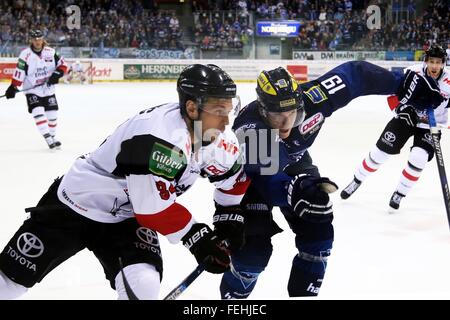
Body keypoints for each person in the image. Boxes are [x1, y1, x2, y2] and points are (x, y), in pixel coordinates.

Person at [0, 64, 250, 300]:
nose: (226, 121)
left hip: (126, 218)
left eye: (228, 110)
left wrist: (229, 217)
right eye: (219, 112)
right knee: (8, 282)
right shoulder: (157, 137)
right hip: (74, 205)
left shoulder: (219, 138)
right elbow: (153, 210)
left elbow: (233, 180)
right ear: (192, 108)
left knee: (144, 283)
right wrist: (199, 238)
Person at [219, 61, 445, 299]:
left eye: (293, 115)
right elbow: (266, 179)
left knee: (319, 234)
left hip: (294, 162)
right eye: (277, 117)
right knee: (252, 255)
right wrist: (295, 190)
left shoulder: (314, 98)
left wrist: (403, 84)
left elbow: (356, 75)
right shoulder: (251, 128)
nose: (286, 124)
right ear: (263, 110)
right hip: (253, 179)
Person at [341, 44, 449, 210]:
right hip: (407, 118)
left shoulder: (449, 82)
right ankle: (357, 180)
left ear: (443, 63)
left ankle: (400, 192)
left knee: (418, 157)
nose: (435, 66)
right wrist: (400, 109)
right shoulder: (412, 73)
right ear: (426, 61)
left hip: (430, 126)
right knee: (380, 152)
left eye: (438, 62)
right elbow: (391, 94)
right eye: (431, 61)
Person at [4, 30, 67, 150]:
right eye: (35, 39)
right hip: (31, 89)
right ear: (31, 40)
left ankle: (53, 136)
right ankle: (48, 139)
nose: (37, 42)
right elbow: (19, 72)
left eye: (39, 39)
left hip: (48, 89)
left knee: (52, 115)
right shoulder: (25, 55)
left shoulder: (51, 52)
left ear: (43, 39)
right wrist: (13, 87)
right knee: (37, 111)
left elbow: (63, 65)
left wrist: (57, 74)